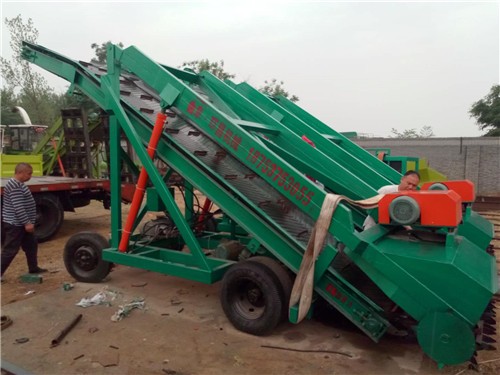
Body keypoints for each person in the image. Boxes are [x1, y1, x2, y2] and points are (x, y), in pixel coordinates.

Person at [1, 163, 47, 281]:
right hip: (15, 224)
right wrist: (27, 223)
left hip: (20, 223)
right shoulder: (15, 186)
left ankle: (33, 268)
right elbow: (18, 207)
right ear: (20, 172)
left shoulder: (19, 184)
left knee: (31, 245)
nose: (30, 176)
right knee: (10, 250)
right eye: (29, 173)